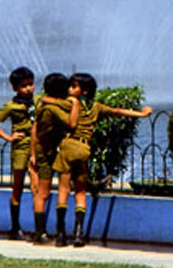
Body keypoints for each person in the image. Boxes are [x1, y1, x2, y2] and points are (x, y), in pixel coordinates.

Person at [52, 73, 153, 247]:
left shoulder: (70, 103)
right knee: (81, 192)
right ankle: (79, 234)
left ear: (83, 90)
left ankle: (60, 235)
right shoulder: (96, 107)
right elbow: (117, 111)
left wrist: (45, 100)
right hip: (84, 149)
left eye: (73, 86)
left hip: (68, 147)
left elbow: (52, 104)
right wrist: (142, 114)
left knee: (63, 190)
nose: (70, 89)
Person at [0, 66, 39, 240]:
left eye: (31, 84)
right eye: (24, 86)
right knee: (17, 187)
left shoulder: (39, 101)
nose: (28, 89)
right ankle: (15, 227)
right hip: (20, 147)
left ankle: (39, 228)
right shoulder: (11, 106)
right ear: (15, 88)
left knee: (36, 187)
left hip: (36, 146)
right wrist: (9, 137)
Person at [29, 73, 79, 245]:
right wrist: (75, 104)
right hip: (47, 153)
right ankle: (39, 233)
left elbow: (34, 128)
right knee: (43, 193)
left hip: (45, 151)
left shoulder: (44, 104)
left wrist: (33, 153)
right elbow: (72, 124)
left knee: (42, 192)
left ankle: (40, 232)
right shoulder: (52, 109)